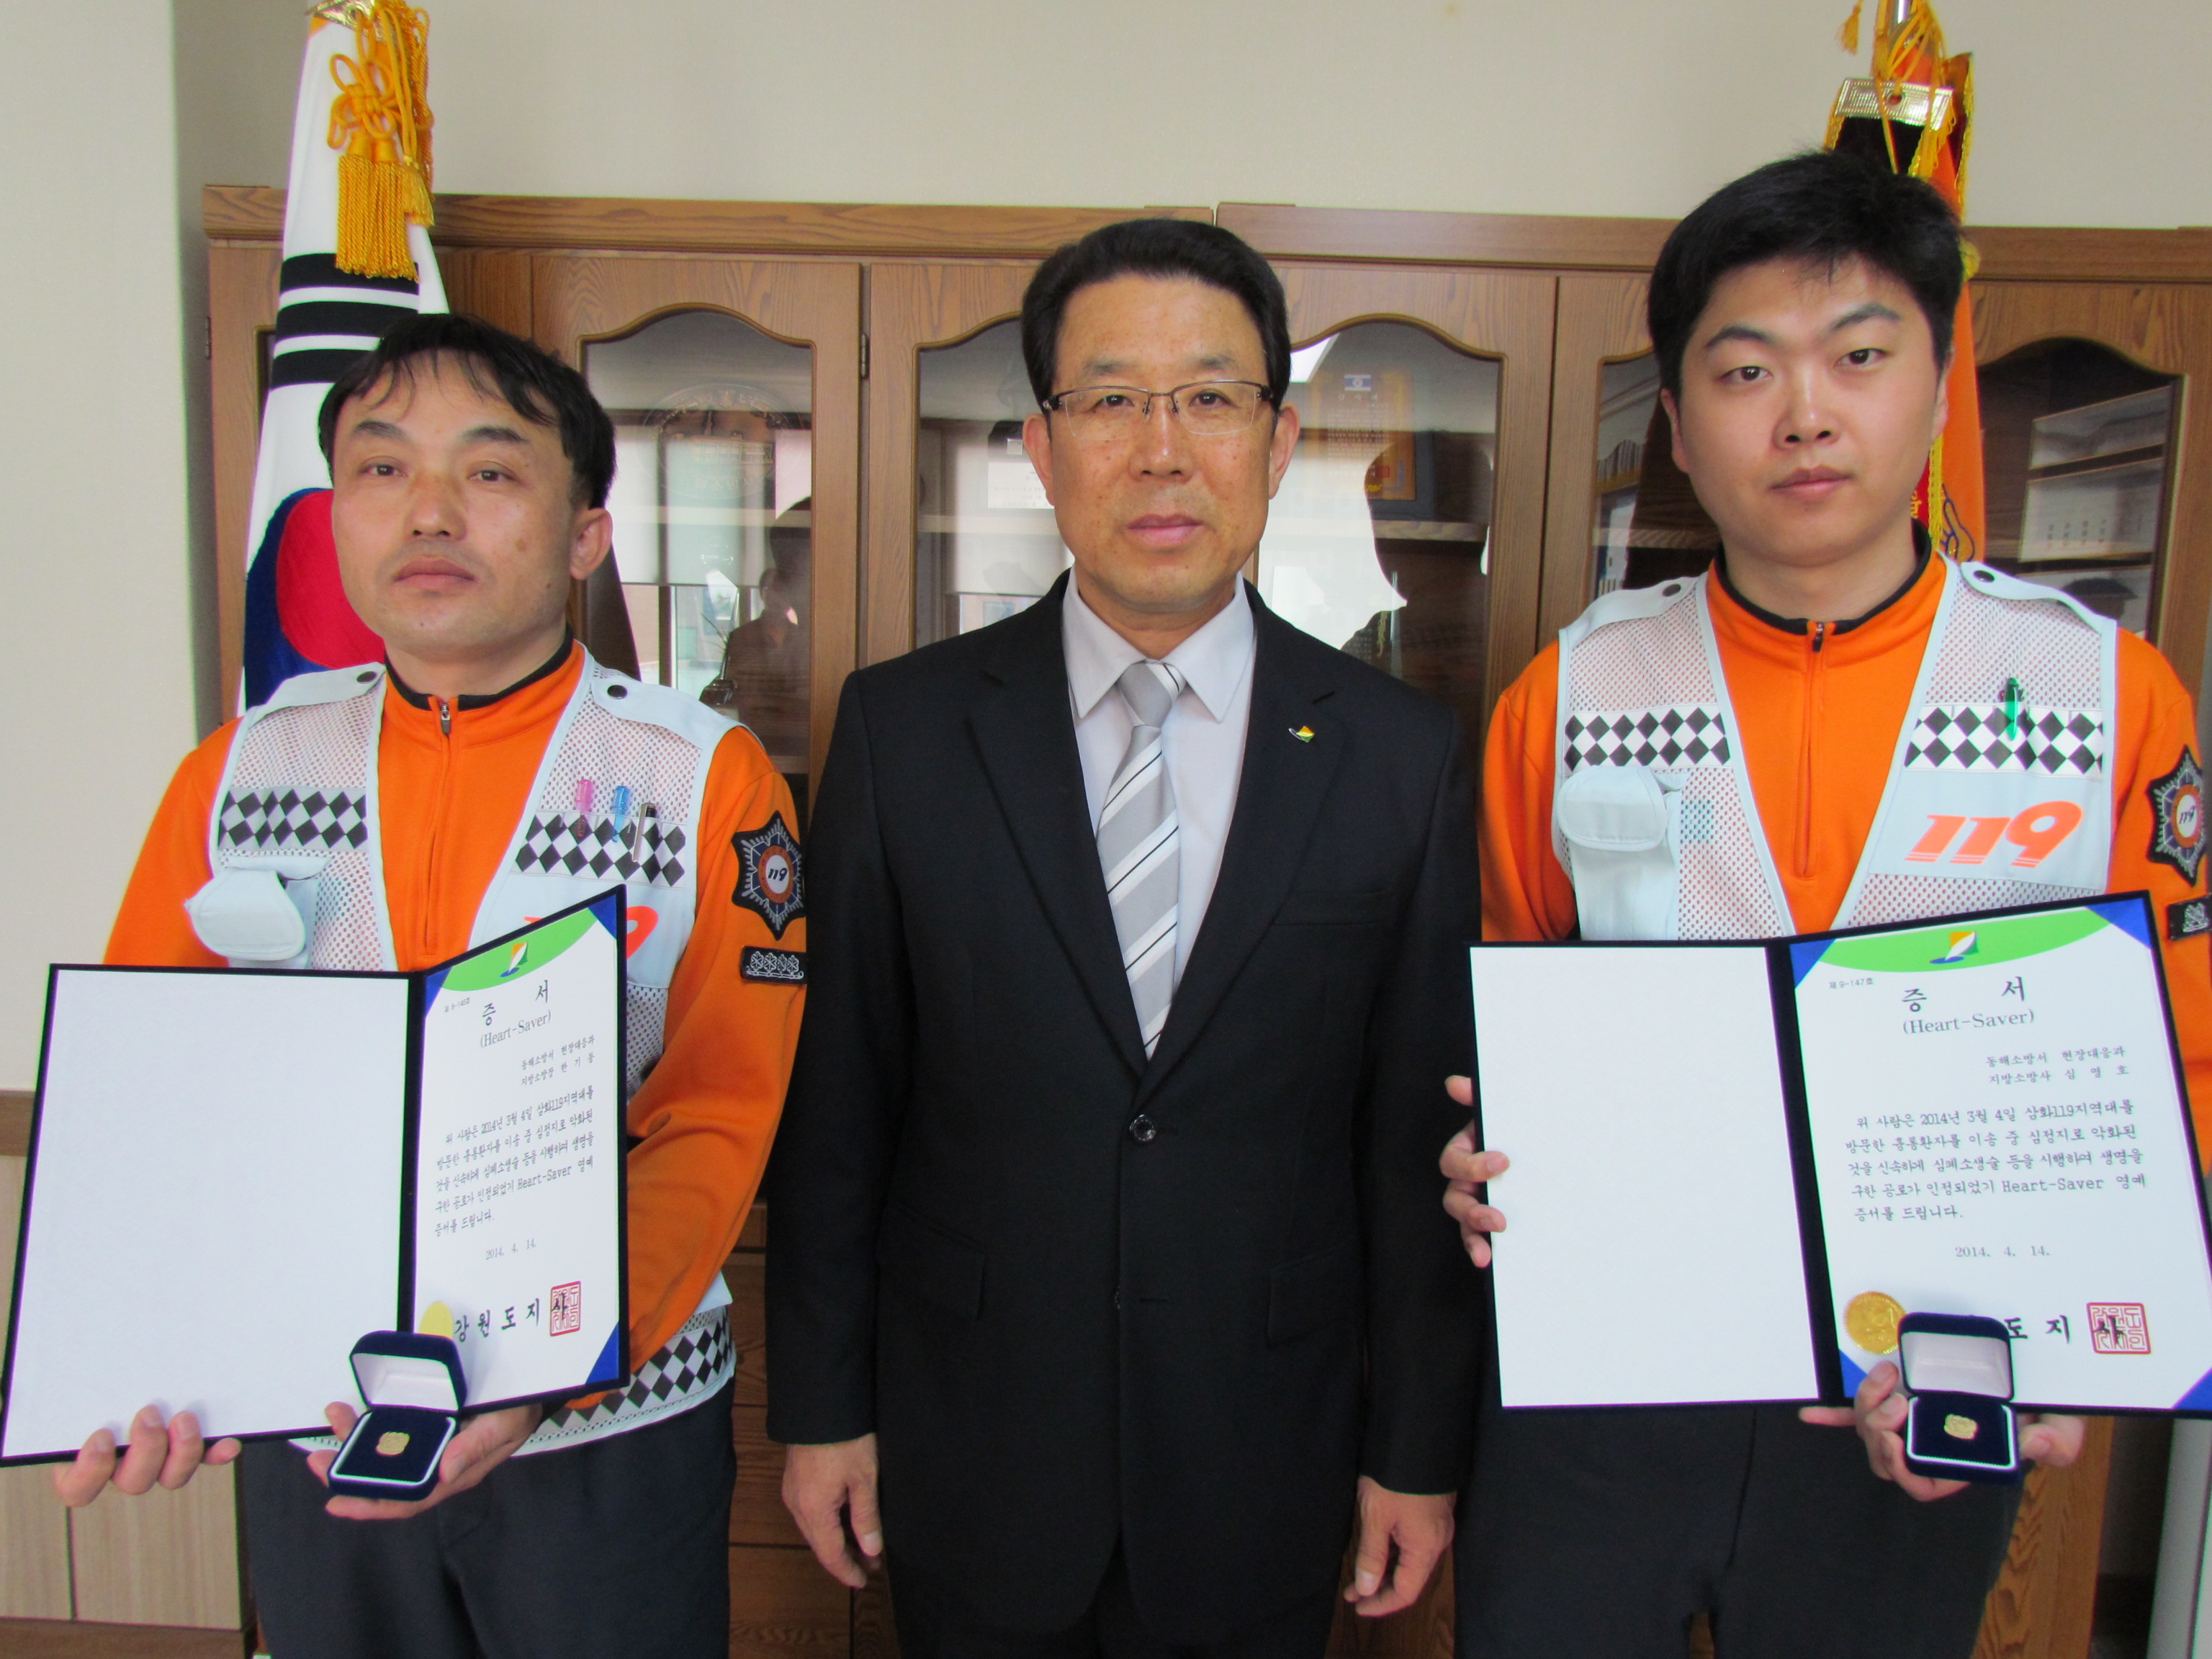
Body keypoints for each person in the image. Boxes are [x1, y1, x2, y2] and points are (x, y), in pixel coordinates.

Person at [1442, 148, 2212, 1658]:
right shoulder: (1571, 694)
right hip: (1607, 1386)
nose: (1802, 413)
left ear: (1938, 385)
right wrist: (1479, 1153)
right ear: (1678, 425)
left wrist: (2090, 1344)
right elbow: (1507, 1008)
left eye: (1858, 356)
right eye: (1745, 371)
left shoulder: (2099, 694)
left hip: (1925, 1389)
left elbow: (2180, 1058)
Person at [767, 218, 1481, 1657]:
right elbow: (840, 1105)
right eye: (1110, 400)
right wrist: (821, 1406)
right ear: (1043, 447)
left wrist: (1414, 1445)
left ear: (1279, 442)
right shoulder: (906, 731)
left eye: (1211, 397)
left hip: (1263, 1450)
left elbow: (1415, 1138)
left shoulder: (1400, 756)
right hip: (970, 1444)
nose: (1162, 452)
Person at [58, 313, 804, 1658]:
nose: (430, 511)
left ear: (585, 534)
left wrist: (555, 1360)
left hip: (605, 1428)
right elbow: (153, 1102)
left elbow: (715, 1112)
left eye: (492, 470)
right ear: (336, 513)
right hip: (318, 1416)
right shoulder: (240, 770)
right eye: (382, 468)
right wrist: (134, 1355)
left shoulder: (697, 775)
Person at [703, 496, 811, 768]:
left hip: (803, 741)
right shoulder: (743, 637)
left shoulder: (806, 638)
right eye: (770, 590)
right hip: (754, 741)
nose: (778, 597)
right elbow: (740, 693)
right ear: (762, 594)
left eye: (783, 590)